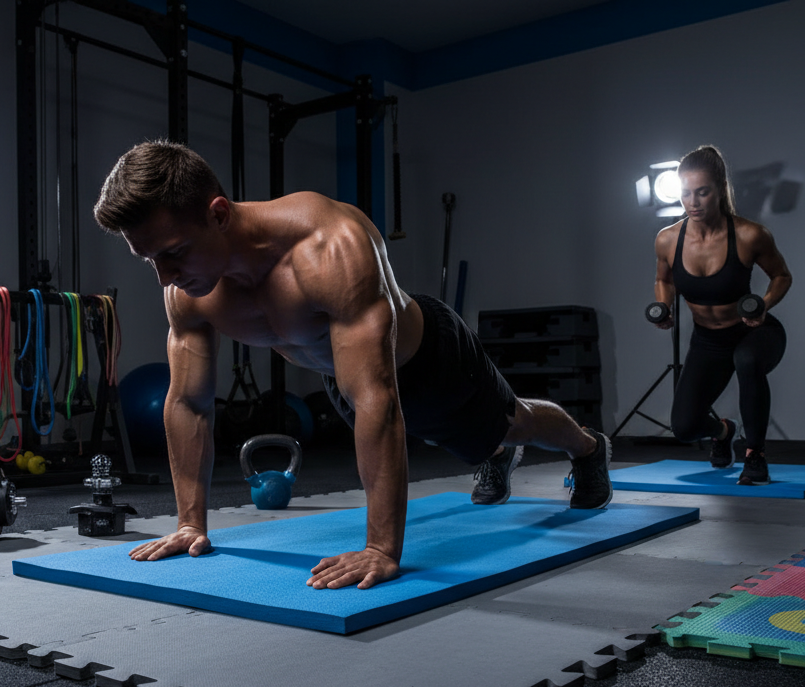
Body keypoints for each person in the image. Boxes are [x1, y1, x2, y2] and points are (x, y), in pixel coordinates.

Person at [93, 139, 613, 590]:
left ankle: (588, 447)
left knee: (514, 422)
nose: (164, 277)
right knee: (465, 442)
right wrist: (190, 524)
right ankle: (495, 453)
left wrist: (381, 549)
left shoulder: (328, 245)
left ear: (219, 214)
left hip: (428, 360)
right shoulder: (188, 290)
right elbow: (189, 403)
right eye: (151, 260)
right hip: (344, 376)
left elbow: (378, 396)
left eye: (175, 253)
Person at [652, 145, 793, 484]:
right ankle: (723, 430)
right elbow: (662, 279)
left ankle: (755, 455)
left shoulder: (749, 234)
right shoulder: (668, 239)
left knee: (746, 360)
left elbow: (782, 276)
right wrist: (664, 306)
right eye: (686, 193)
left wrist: (763, 305)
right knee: (684, 427)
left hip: (754, 332)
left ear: (720, 189)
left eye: (703, 192)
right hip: (708, 341)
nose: (693, 202)